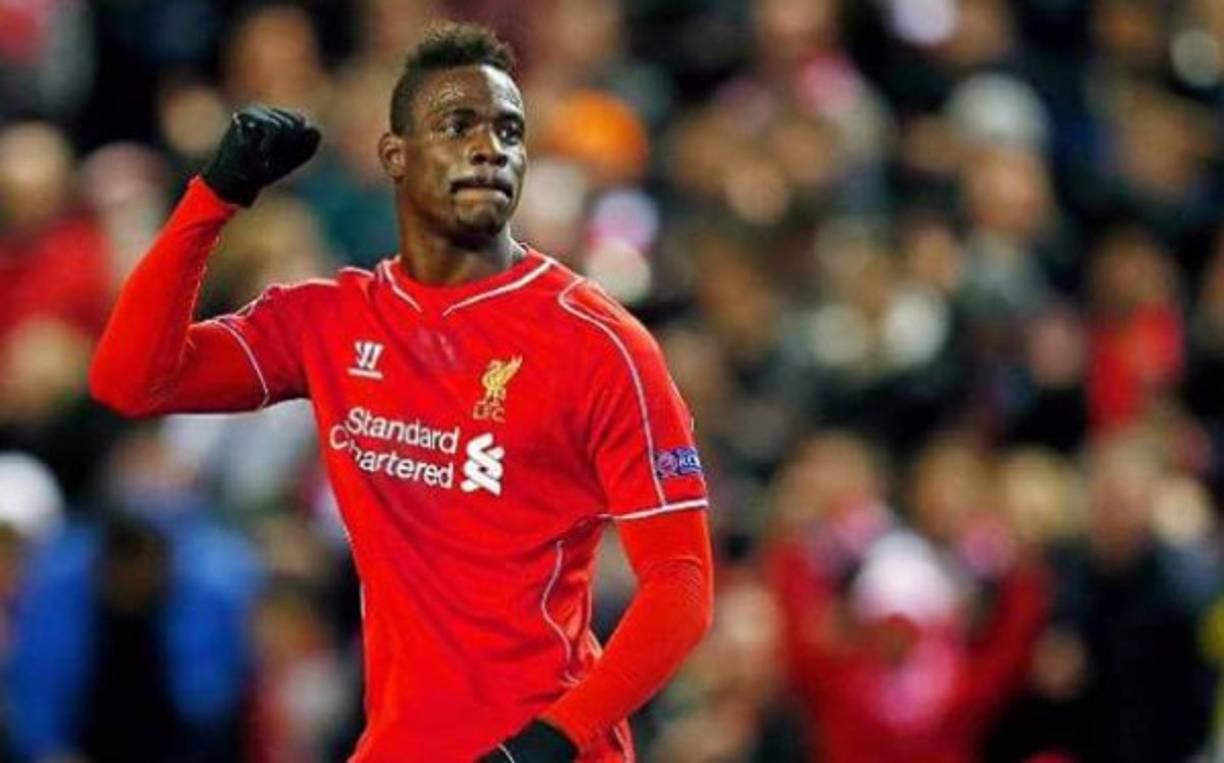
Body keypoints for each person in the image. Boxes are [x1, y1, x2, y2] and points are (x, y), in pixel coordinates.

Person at [89, 22, 714, 763]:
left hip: (544, 745)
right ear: (395, 154)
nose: (491, 148)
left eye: (510, 131)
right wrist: (214, 197)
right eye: (458, 125)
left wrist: (554, 739)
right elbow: (130, 379)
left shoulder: (599, 343)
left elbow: (681, 585)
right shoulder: (328, 321)